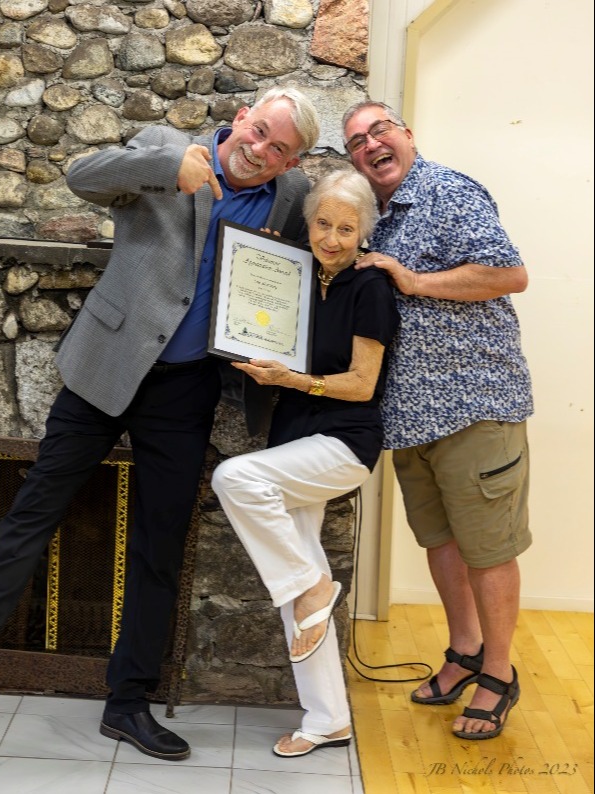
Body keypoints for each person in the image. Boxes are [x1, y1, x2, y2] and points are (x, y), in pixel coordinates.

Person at [0, 87, 320, 760]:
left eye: (278, 148)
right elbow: (83, 177)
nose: (259, 150)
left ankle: (128, 703)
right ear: (244, 116)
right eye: (257, 132)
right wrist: (166, 174)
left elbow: (308, 265)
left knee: (158, 548)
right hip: (104, 369)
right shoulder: (168, 149)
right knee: (34, 509)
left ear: (293, 159)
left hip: (189, 389)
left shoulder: (290, 198)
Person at [342, 100, 533, 740]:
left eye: (379, 130)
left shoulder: (448, 191)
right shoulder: (375, 216)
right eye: (357, 142)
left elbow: (511, 274)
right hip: (410, 415)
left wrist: (415, 282)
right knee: (441, 544)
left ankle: (499, 675)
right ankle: (465, 651)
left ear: (406, 134)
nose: (371, 145)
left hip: (475, 404)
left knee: (487, 550)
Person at [211, 170, 400, 757]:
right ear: (309, 222)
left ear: (363, 231)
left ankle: (315, 588)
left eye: (347, 228)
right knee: (300, 581)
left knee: (233, 477)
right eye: (323, 224)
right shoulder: (295, 271)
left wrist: (292, 380)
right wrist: (260, 259)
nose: (333, 238)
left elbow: (364, 385)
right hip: (294, 439)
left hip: (344, 443)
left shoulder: (370, 287)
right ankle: (326, 720)